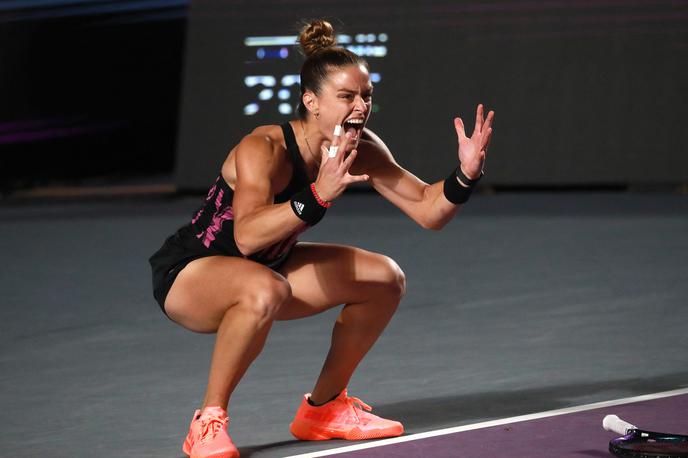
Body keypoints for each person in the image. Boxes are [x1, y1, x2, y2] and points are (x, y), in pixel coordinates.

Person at [149, 19, 494, 458]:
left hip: (267, 267)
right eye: (346, 96)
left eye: (366, 96)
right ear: (311, 101)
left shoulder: (361, 146)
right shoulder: (263, 149)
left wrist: (464, 175)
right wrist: (315, 195)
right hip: (190, 274)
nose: (360, 106)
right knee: (265, 287)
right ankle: (208, 421)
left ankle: (324, 408)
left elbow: (428, 210)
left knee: (384, 278)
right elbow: (248, 236)